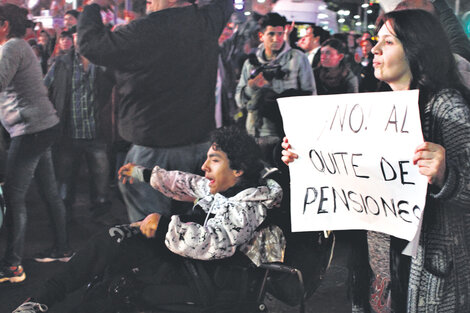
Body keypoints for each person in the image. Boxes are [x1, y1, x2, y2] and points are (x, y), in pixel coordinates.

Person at [282, 9, 470, 313]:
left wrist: (447, 176)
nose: (376, 49)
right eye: (376, 40)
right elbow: (351, 172)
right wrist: (304, 160)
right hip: (378, 266)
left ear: (417, 48)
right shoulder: (375, 109)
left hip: (427, 276)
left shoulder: (448, 108)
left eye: (389, 42)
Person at [12, 126, 285, 313]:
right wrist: (143, 174)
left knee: (118, 284)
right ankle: (40, 301)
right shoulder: (222, 188)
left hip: (209, 280)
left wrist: (165, 225)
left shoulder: (249, 206)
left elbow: (216, 243)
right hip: (186, 262)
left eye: (214, 161)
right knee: (114, 240)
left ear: (237, 169)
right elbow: (188, 183)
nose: (204, 167)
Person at [77, 0, 234, 222]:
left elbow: (90, 44)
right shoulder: (205, 23)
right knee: (196, 228)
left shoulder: (143, 31)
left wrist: (93, 5)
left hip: (152, 154)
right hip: (201, 150)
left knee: (151, 231)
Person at [0, 4, 72, 284]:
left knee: (14, 197)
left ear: (4, 24)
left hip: (31, 131)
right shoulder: (16, 47)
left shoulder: (12, 47)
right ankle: (63, 247)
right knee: (50, 192)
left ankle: (13, 266)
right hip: (42, 127)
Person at [44, 33, 114, 222]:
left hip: (96, 132)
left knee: (101, 184)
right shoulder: (62, 63)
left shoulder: (103, 64)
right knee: (65, 182)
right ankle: (63, 222)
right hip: (68, 132)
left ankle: (99, 220)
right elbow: (45, 88)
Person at [235, 12, 315, 165]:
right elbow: (239, 101)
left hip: (286, 136)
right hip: (255, 133)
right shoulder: (251, 63)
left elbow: (310, 97)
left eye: (280, 34)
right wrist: (252, 86)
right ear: (261, 35)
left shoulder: (297, 58)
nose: (276, 39)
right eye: (271, 34)